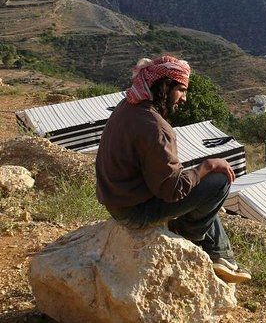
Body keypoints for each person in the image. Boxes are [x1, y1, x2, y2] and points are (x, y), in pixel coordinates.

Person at [95, 55, 250, 283]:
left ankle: (220, 255)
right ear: (164, 86)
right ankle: (192, 237)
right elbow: (172, 190)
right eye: (181, 90)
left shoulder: (128, 106)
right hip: (133, 212)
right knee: (218, 181)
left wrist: (197, 173)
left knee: (198, 182)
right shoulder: (155, 127)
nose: (184, 98)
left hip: (118, 201)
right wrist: (208, 165)